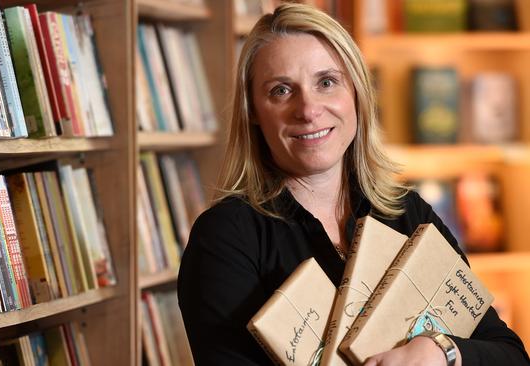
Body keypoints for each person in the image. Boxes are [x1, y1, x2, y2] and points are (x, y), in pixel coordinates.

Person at [177, 3, 529, 366]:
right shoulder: (226, 238)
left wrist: (443, 352)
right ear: (253, 111)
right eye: (282, 91)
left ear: (357, 94)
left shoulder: (408, 213)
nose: (308, 109)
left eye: (326, 82)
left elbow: (511, 356)